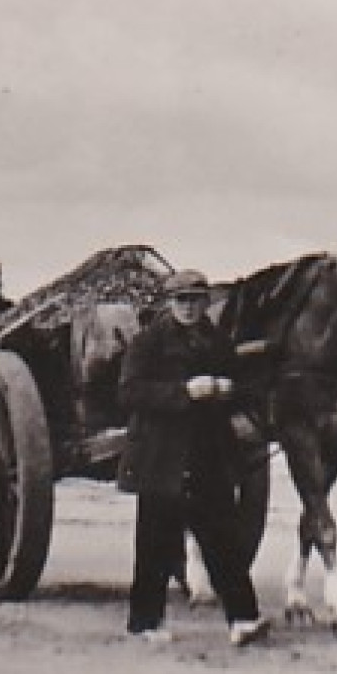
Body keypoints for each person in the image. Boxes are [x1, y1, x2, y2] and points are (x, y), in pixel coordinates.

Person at [117, 269, 271, 647]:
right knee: (153, 545)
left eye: (196, 300)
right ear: (169, 304)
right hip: (160, 457)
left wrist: (227, 388)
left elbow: (239, 384)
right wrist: (185, 392)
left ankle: (243, 620)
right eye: (182, 300)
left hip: (207, 456)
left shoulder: (216, 341)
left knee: (224, 542)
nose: (189, 307)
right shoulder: (147, 342)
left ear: (205, 303)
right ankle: (144, 624)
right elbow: (130, 393)